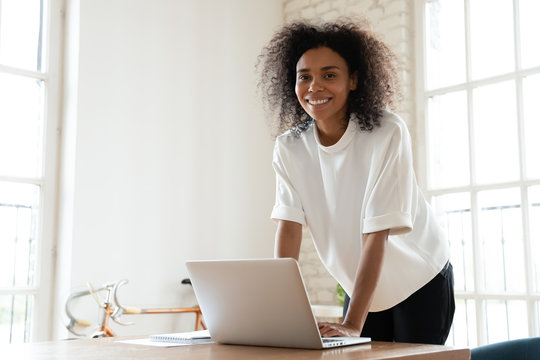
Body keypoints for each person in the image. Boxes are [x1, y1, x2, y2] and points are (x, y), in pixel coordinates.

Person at [256, 19, 455, 345]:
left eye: (329, 75)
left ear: (354, 80)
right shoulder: (289, 148)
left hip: (420, 279)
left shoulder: (386, 133)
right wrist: (282, 314)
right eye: (304, 76)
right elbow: (289, 228)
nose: (313, 86)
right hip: (362, 287)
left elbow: (376, 233)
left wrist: (352, 323)